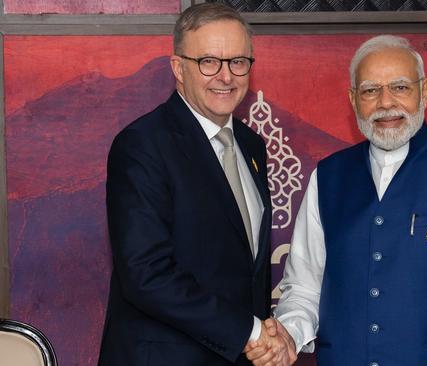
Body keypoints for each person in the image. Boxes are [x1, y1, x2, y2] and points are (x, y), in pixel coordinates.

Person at [247, 35, 427, 365]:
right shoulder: (327, 178)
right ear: (353, 99)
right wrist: (289, 333)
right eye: (371, 90)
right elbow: (304, 288)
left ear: (425, 91)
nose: (385, 103)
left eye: (400, 87)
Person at [98, 3, 295, 365]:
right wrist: (251, 332)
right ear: (178, 68)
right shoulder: (143, 144)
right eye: (208, 61)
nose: (226, 76)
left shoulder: (252, 146)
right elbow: (147, 275)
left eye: (238, 61)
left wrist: (260, 335)